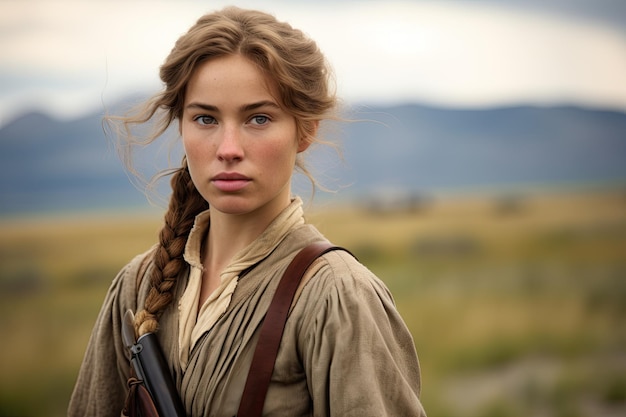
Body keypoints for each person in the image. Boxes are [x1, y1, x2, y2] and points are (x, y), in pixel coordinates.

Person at [69, 6, 426, 417]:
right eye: (205, 118)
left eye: (258, 118)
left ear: (305, 129)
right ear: (180, 126)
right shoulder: (137, 286)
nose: (228, 149)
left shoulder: (337, 297)